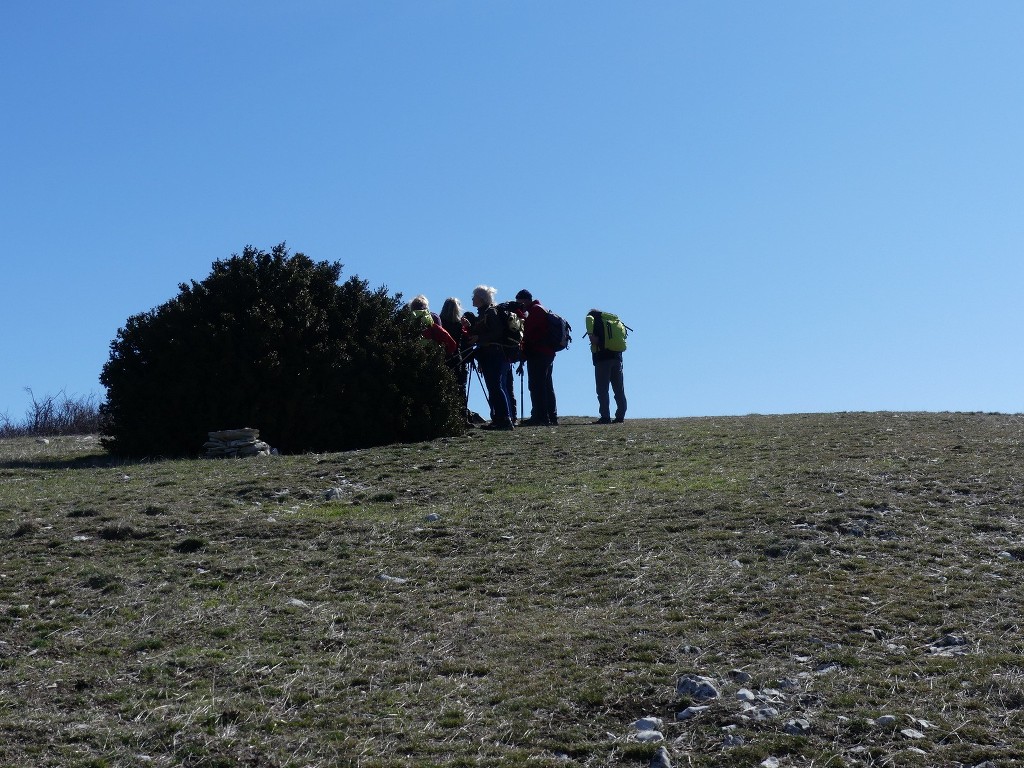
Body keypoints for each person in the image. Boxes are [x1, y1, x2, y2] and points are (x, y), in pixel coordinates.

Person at [468, 285, 515, 430]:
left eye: (474, 296)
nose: (472, 298)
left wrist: (478, 337)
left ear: (481, 299)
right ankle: (499, 418)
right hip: (490, 353)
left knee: (495, 386)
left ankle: (505, 419)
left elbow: (497, 332)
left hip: (494, 353)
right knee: (494, 386)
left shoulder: (490, 312)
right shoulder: (485, 313)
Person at [515, 289, 558, 426]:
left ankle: (540, 416)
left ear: (525, 300)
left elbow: (527, 330)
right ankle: (551, 416)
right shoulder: (541, 309)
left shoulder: (535, 310)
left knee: (536, 385)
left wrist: (520, 317)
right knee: (546, 385)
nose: (520, 305)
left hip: (539, 352)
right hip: (547, 352)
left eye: (520, 302)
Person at [586, 308, 627, 424]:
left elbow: (593, 339)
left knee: (602, 389)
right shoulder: (613, 320)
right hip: (617, 358)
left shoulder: (592, 318)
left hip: (602, 358)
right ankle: (620, 416)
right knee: (619, 388)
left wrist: (590, 334)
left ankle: (605, 416)